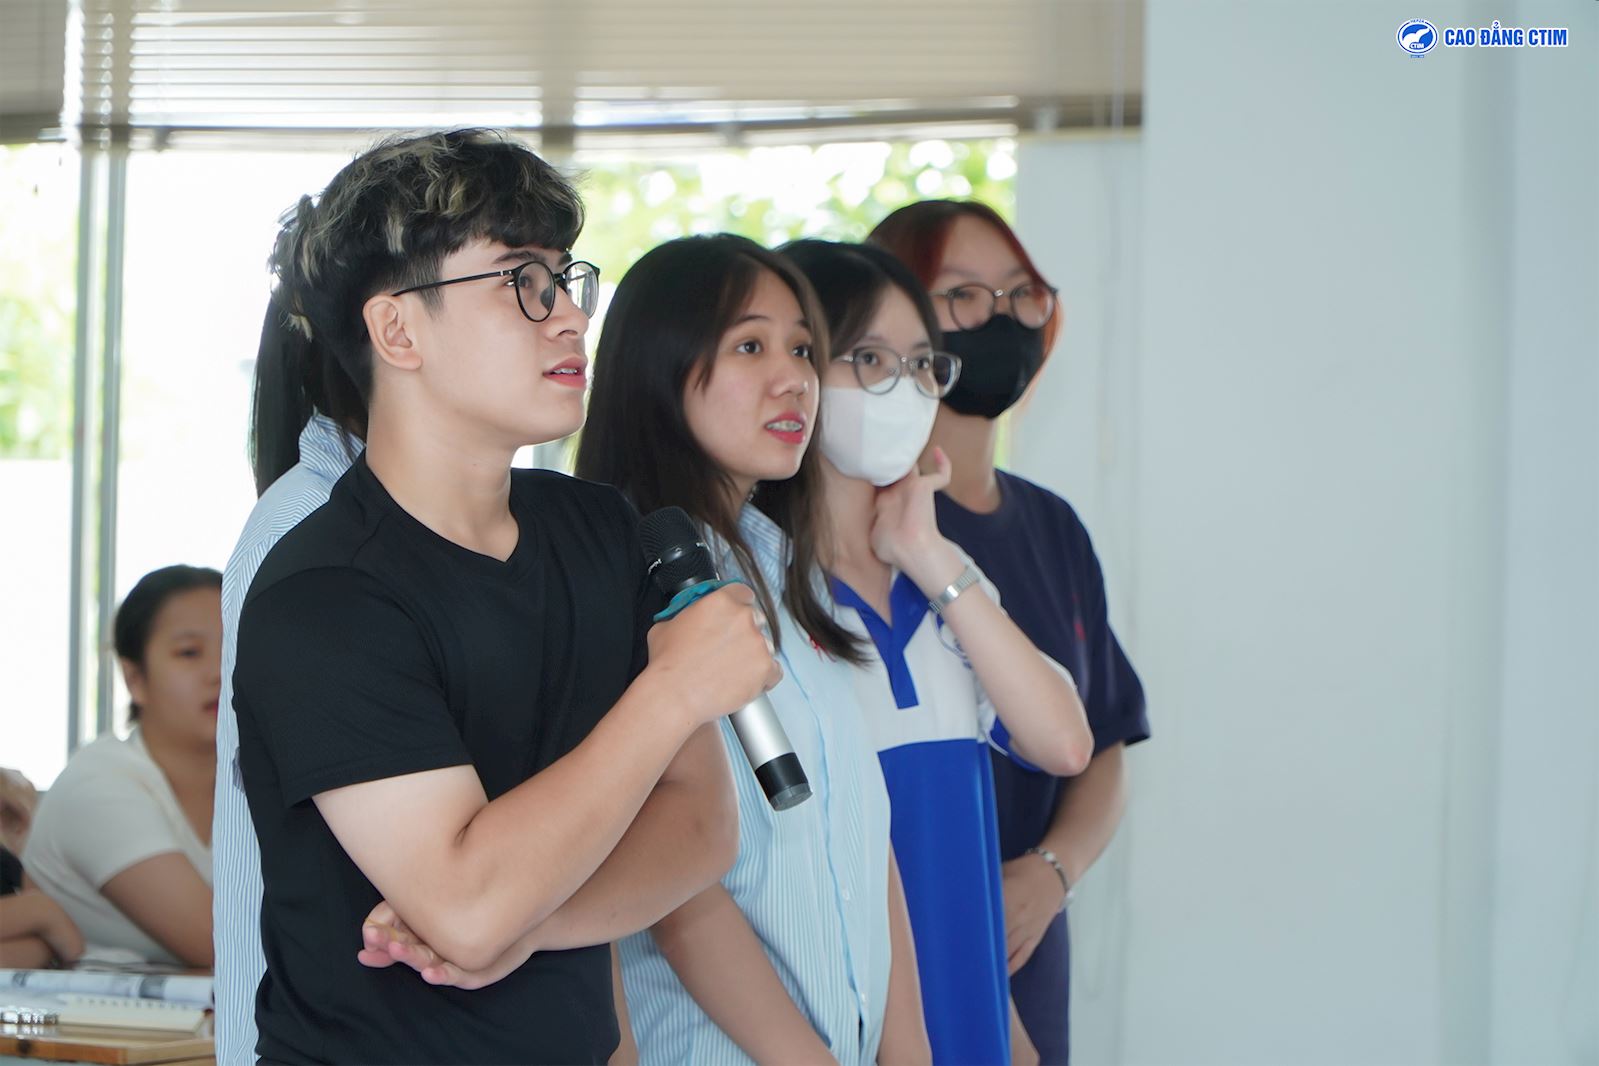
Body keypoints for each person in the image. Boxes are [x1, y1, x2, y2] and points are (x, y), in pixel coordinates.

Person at [228, 129, 763, 1065]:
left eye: (566, 279)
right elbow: (466, 903)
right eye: (522, 281)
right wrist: (673, 690)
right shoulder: (324, 595)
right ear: (397, 331)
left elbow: (701, 826)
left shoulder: (597, 530)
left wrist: (531, 928)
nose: (570, 317)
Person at [572, 234, 930, 1065]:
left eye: (802, 349)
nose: (793, 378)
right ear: (660, 365)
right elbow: (677, 892)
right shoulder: (626, 584)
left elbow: (860, 831)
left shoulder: (788, 570)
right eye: (749, 346)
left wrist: (907, 1050)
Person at [781, 238, 1094, 1066]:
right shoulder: (757, 588)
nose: (906, 388)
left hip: (970, 1025)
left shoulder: (942, 579)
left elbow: (1063, 743)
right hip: (836, 1036)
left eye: (922, 364)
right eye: (870, 359)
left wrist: (925, 552)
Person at [871, 201, 1151, 1065]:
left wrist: (1050, 872)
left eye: (1020, 293)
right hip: (912, 953)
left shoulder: (1050, 524)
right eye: (963, 294)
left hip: (1025, 933)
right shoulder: (883, 530)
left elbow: (1100, 741)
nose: (1001, 318)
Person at [25, 565, 222, 967]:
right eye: (189, 653)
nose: (220, 672)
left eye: (237, 645)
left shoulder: (259, 778)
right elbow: (220, 944)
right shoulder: (97, 784)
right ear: (134, 679)